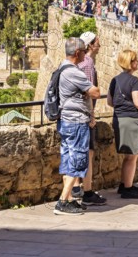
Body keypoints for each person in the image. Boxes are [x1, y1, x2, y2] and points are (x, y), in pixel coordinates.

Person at [54, 37, 100, 216]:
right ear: (78, 53)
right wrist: (86, 91)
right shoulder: (74, 72)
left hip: (65, 120)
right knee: (78, 158)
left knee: (67, 159)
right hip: (76, 121)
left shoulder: (61, 66)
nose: (84, 54)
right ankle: (63, 201)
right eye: (82, 51)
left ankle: (70, 201)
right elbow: (95, 92)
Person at [107, 50, 138, 199]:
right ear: (130, 62)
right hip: (132, 120)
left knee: (128, 156)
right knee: (132, 157)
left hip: (119, 119)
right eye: (136, 60)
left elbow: (110, 102)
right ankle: (127, 188)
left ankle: (125, 184)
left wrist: (122, 108)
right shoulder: (134, 81)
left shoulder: (114, 80)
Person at [71, 32, 107, 206]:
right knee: (88, 152)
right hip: (84, 113)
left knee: (78, 151)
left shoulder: (77, 63)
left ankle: (77, 186)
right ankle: (87, 191)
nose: (100, 45)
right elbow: (89, 92)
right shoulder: (88, 63)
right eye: (97, 43)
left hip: (73, 113)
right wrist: (92, 115)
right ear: (91, 45)